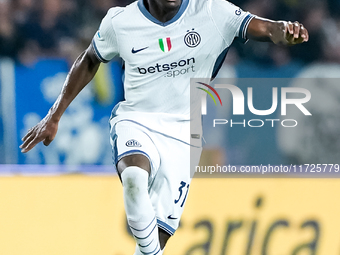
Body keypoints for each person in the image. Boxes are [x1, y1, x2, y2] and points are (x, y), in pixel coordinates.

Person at [20, 0, 309, 253]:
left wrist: (284, 30)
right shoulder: (120, 21)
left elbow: (261, 27)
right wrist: (54, 115)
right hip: (137, 120)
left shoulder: (211, 10)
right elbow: (90, 58)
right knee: (134, 177)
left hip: (184, 134)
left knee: (154, 242)